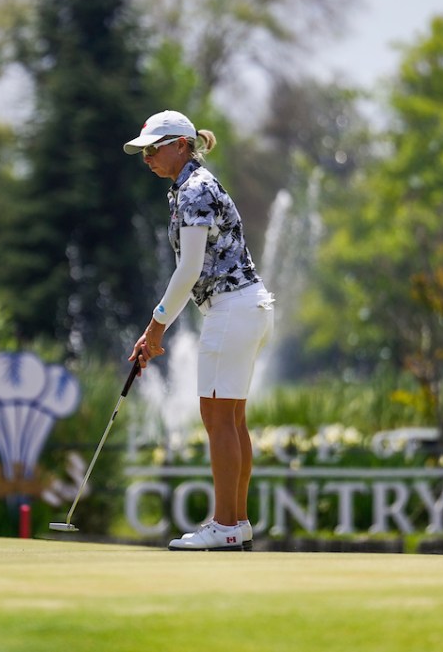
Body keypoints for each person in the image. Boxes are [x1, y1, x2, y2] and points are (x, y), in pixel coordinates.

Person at [124, 109, 273, 552]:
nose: (147, 156)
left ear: (181, 145)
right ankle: (238, 522)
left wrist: (155, 329)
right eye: (144, 150)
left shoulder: (195, 190)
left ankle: (225, 524)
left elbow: (188, 270)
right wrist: (157, 327)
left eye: (154, 147)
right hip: (243, 307)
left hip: (232, 310)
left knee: (218, 419)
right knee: (231, 419)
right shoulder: (188, 189)